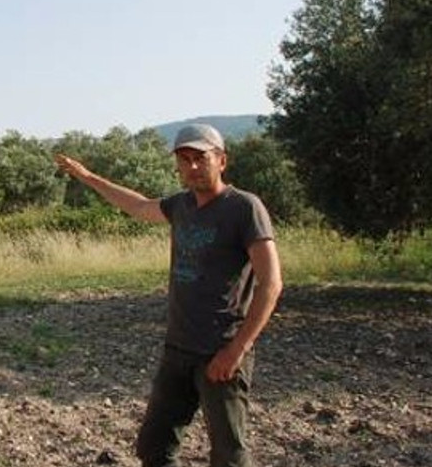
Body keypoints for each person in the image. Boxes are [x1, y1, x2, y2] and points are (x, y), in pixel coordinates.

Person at [54, 124, 282, 467]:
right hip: (178, 349)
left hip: (220, 351)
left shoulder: (244, 208)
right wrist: (89, 177)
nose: (191, 167)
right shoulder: (180, 205)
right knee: (153, 447)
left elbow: (271, 284)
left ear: (221, 160)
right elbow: (139, 206)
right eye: (184, 159)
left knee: (228, 455)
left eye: (200, 158)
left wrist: (237, 350)